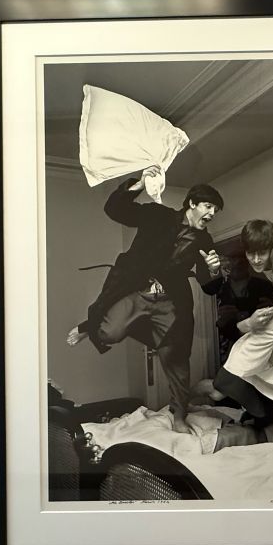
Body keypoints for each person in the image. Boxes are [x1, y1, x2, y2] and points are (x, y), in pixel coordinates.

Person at [66, 168, 224, 431]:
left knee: (176, 358)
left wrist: (214, 270)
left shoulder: (205, 240)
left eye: (216, 211)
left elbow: (209, 286)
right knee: (109, 333)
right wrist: (139, 183)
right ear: (192, 203)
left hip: (170, 302)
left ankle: (179, 414)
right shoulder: (157, 215)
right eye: (208, 206)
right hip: (136, 290)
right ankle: (89, 326)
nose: (211, 214)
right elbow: (115, 210)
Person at [202, 253, 273, 364]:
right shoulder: (221, 288)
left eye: (240, 263)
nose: (236, 265)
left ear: (247, 264)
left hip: (263, 338)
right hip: (230, 340)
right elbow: (207, 288)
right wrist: (222, 320)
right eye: (232, 261)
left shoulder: (264, 285)